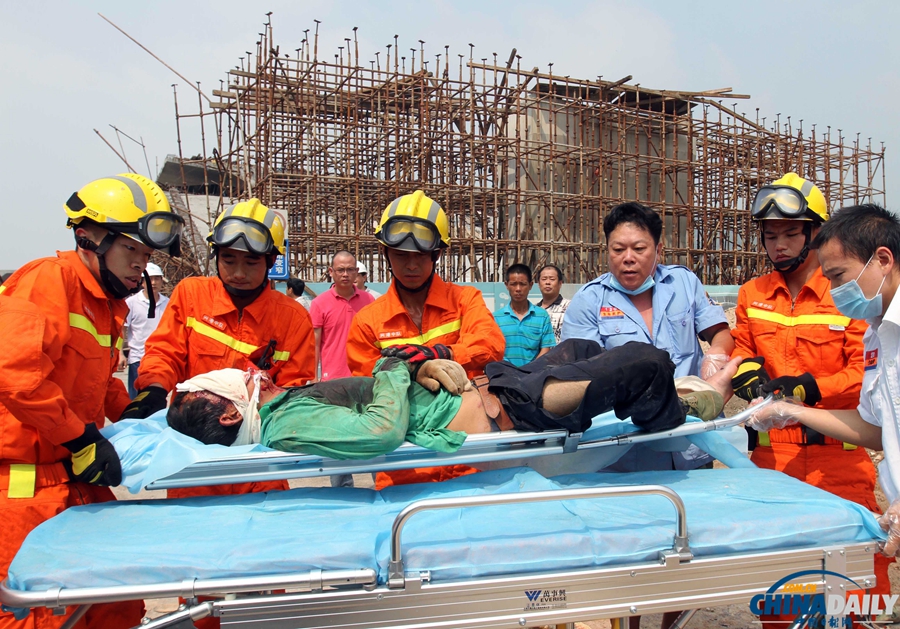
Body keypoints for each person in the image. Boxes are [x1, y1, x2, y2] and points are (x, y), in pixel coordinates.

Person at [0, 173, 183, 629]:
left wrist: (130, 408)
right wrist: (80, 436)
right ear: (89, 238)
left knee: (114, 606)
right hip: (23, 487)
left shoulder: (104, 305)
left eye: (145, 255)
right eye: (131, 250)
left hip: (73, 479)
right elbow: (14, 373)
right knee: (40, 614)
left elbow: (94, 383)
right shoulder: (48, 281)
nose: (139, 265)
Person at [730, 178, 889, 626]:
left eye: (791, 233)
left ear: (816, 233)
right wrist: (744, 372)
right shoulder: (752, 295)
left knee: (856, 596)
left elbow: (867, 374)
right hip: (770, 463)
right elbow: (742, 348)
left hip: (838, 463)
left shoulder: (847, 294)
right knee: (781, 598)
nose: (778, 245)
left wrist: (809, 389)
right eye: (770, 235)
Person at [167, 340, 739, 456]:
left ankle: (658, 398)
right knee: (648, 363)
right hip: (509, 412)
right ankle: (680, 409)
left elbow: (381, 404)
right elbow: (380, 432)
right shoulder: (285, 421)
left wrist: (424, 360)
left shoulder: (287, 408)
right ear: (228, 409)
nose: (250, 375)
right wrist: (400, 363)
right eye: (234, 381)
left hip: (497, 388)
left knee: (583, 345)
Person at [126, 198, 315, 501]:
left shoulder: (292, 317)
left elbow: (294, 388)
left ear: (270, 261)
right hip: (192, 459)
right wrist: (153, 388)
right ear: (216, 256)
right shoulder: (192, 295)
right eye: (228, 260)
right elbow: (165, 352)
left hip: (258, 463)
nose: (238, 272)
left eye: (251, 262)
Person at [747, 204, 900, 573]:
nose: (833, 291)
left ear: (883, 260)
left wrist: (806, 390)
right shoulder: (878, 334)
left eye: (838, 276)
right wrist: (793, 412)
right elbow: (878, 430)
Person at [346, 190, 505, 487]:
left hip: (471, 460)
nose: (411, 266)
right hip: (403, 469)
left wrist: (441, 355)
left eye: (420, 256)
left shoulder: (465, 300)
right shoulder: (368, 321)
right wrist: (412, 370)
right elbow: (367, 388)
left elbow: (491, 344)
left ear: (437, 254)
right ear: (385, 253)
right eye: (401, 255)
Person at [561, 201, 734, 474]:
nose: (628, 257)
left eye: (639, 249)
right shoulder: (589, 301)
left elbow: (720, 334)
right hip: (626, 452)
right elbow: (580, 378)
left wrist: (716, 359)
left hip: (692, 442)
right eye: (618, 250)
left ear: (658, 251)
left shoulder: (684, 284)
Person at [311, 251, 374, 382]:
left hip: (364, 376)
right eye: (340, 270)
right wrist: (313, 378)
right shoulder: (319, 303)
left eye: (350, 269)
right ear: (331, 272)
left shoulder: (369, 300)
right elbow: (314, 344)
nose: (345, 274)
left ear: (356, 272)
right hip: (332, 379)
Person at [121, 262, 170, 398]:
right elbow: (122, 329)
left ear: (161, 281)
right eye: (149, 279)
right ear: (142, 282)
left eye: (157, 278)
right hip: (138, 358)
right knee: (136, 398)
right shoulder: (131, 303)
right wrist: (120, 354)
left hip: (160, 359)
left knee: (156, 398)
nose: (153, 283)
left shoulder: (169, 304)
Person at [494, 263, 555, 366]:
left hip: (533, 375)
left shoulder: (542, 316)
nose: (518, 289)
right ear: (506, 285)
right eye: (513, 284)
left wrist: (529, 370)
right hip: (504, 375)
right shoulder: (496, 318)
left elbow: (546, 349)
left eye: (522, 284)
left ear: (530, 285)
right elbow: (493, 350)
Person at [536, 264, 570, 342]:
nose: (547, 282)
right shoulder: (533, 310)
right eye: (544, 279)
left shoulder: (569, 307)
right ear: (538, 284)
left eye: (552, 279)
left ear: (560, 283)